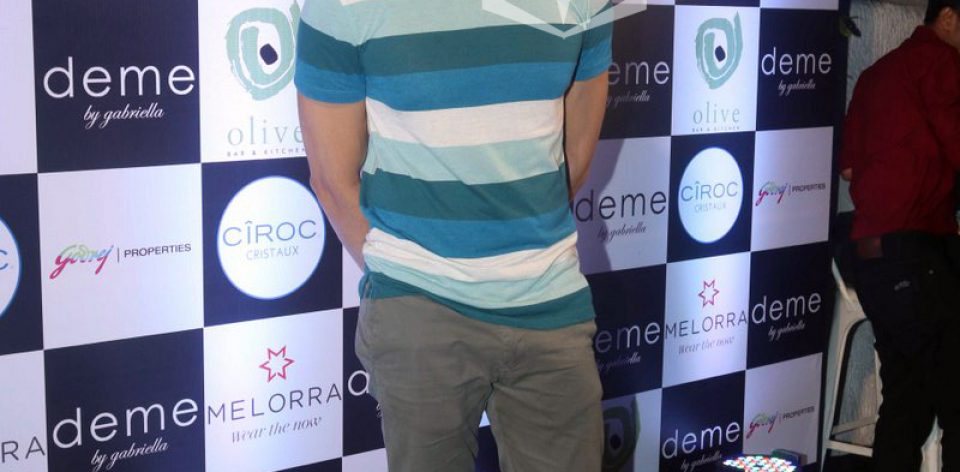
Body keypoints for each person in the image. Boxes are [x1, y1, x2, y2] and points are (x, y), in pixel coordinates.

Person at [294, 0, 612, 470]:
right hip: (419, 310)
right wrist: (412, 271)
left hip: (552, 304)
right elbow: (332, 180)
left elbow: (576, 155)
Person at [840, 1, 960, 470]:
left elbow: (849, 170)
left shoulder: (875, 74)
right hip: (917, 253)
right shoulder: (941, 62)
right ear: (948, 17)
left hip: (871, 260)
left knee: (906, 404)